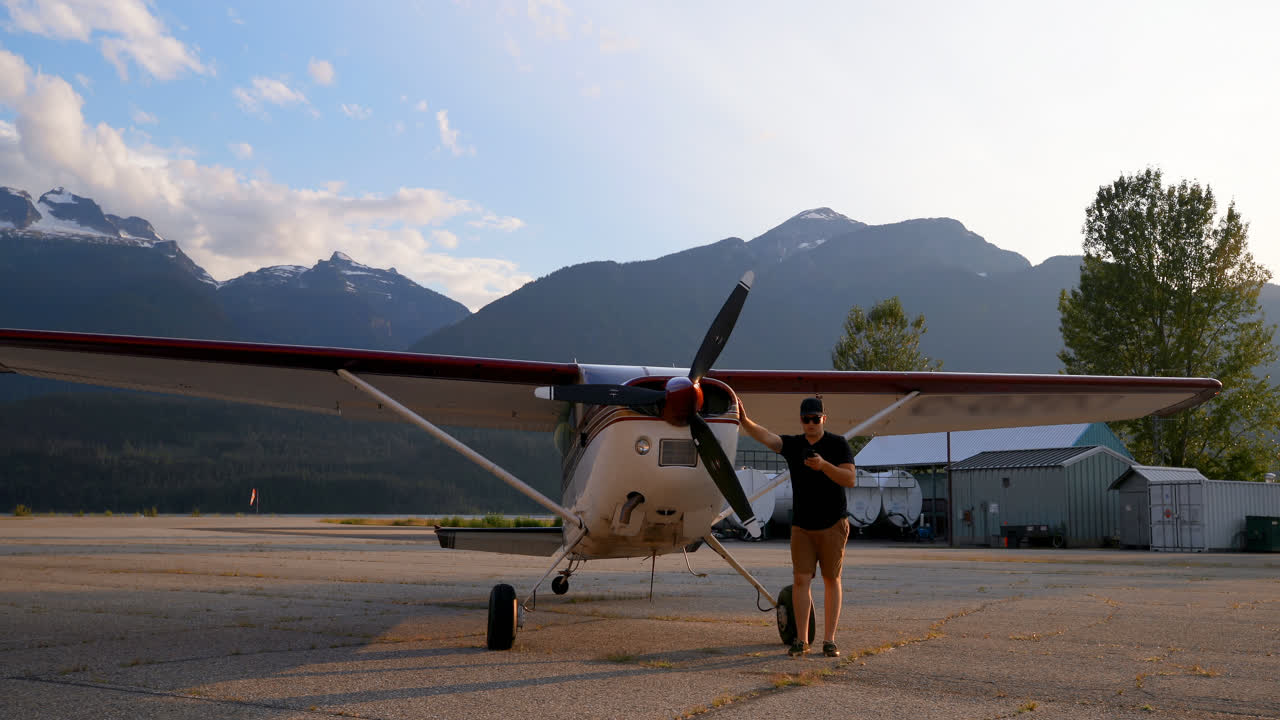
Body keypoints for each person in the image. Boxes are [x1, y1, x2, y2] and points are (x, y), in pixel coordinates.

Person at [739, 396, 856, 657]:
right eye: (806, 419)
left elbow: (850, 479)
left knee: (831, 579)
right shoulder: (794, 445)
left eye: (816, 418)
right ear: (801, 421)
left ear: (824, 418)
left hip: (833, 523)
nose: (811, 423)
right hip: (802, 526)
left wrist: (824, 466)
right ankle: (801, 641)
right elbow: (768, 438)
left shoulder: (838, 444)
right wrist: (744, 421)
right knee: (801, 580)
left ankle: (829, 640)